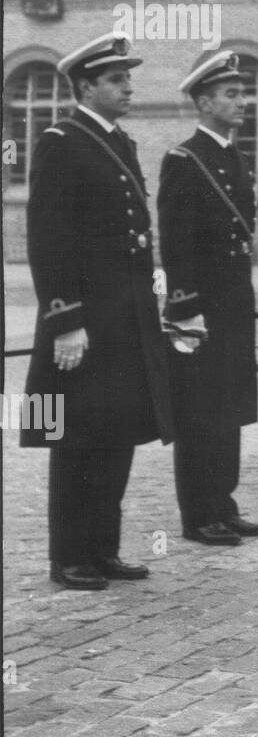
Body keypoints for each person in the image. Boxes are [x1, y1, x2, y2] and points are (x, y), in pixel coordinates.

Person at [23, 33, 174, 589]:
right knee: (77, 438)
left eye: (128, 77)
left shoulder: (119, 142)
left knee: (115, 432)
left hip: (125, 315)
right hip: (85, 318)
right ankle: (69, 557)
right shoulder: (62, 140)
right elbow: (48, 235)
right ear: (85, 85)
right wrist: (64, 319)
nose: (128, 86)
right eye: (115, 79)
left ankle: (103, 549)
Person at [158, 52, 258, 547]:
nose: (241, 102)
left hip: (234, 301)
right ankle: (198, 515)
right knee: (201, 411)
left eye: (241, 93)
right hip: (202, 306)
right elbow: (176, 241)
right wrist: (185, 308)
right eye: (230, 94)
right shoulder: (185, 159)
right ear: (204, 102)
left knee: (229, 408)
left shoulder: (233, 155)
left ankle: (223, 503)